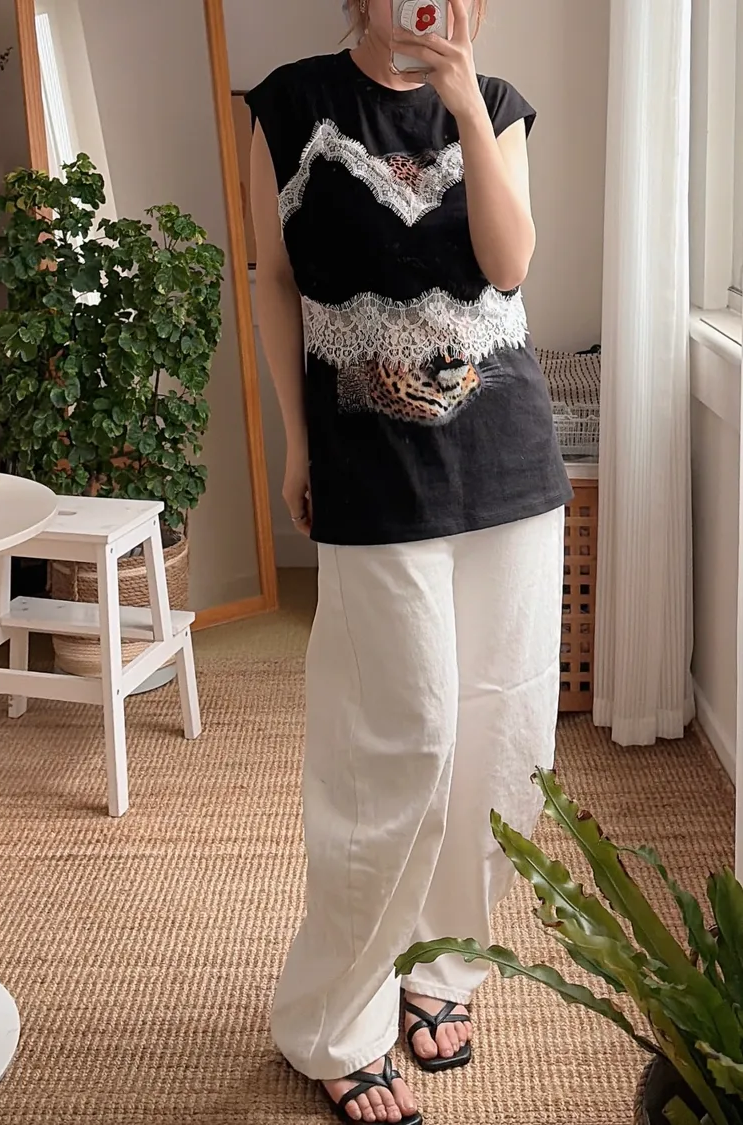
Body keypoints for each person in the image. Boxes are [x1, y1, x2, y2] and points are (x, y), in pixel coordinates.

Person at [247, 0, 572, 1121]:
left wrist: (467, 102)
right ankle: (335, 1016)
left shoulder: (500, 106)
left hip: (508, 461)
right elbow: (275, 280)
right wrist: (297, 443)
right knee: (396, 737)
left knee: (503, 731)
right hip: (368, 463)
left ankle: (443, 968)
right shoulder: (290, 103)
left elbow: (509, 264)